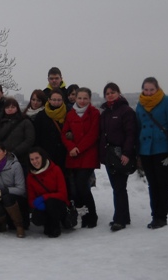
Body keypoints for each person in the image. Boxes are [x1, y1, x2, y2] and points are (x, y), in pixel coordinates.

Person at [136, 77, 168, 230]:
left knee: (162, 183)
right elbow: (138, 127)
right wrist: (137, 151)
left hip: (162, 150)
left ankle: (162, 217)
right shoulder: (140, 103)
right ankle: (155, 215)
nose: (148, 93)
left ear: (157, 89)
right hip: (146, 150)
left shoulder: (166, 101)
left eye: (151, 90)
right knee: (152, 184)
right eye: (145, 90)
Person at [99, 82, 138, 232]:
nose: (110, 95)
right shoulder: (105, 113)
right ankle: (123, 216)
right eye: (107, 93)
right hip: (110, 155)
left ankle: (120, 220)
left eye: (112, 92)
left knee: (119, 187)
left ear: (118, 93)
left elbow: (131, 133)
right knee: (117, 187)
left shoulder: (126, 111)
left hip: (121, 154)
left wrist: (127, 153)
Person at [61, 87, 100, 228]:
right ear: (75, 98)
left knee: (82, 185)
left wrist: (78, 148)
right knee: (75, 188)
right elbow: (64, 133)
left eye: (85, 98)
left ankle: (92, 215)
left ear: (89, 99)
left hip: (88, 155)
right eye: (79, 98)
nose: (82, 101)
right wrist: (71, 147)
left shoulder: (94, 113)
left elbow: (93, 134)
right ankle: (82, 215)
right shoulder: (70, 114)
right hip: (73, 155)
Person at [0, 143, 27, 238]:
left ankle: (19, 226)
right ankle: (2, 224)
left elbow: (21, 189)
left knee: (7, 197)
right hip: (0, 198)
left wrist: (5, 191)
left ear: (4, 152)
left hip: (16, 199)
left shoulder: (15, 165)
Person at [26, 147, 69, 238]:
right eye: (32, 159)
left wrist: (44, 197)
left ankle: (56, 225)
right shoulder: (31, 176)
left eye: (37, 158)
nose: (35, 161)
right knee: (36, 219)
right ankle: (47, 223)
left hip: (58, 204)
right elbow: (31, 199)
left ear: (43, 157)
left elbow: (63, 194)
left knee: (51, 202)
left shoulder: (55, 169)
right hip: (43, 205)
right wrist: (36, 204)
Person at [0, 97, 35, 171]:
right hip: (2, 159)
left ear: (17, 108)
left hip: (22, 158)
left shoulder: (25, 121)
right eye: (7, 107)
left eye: (13, 107)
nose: (10, 109)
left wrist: (15, 152)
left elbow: (29, 140)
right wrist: (0, 153)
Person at [33, 89, 68, 172]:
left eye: (59, 100)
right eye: (54, 100)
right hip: (46, 153)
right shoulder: (41, 115)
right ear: (49, 100)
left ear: (62, 100)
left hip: (63, 153)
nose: (56, 102)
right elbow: (37, 136)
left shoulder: (67, 113)